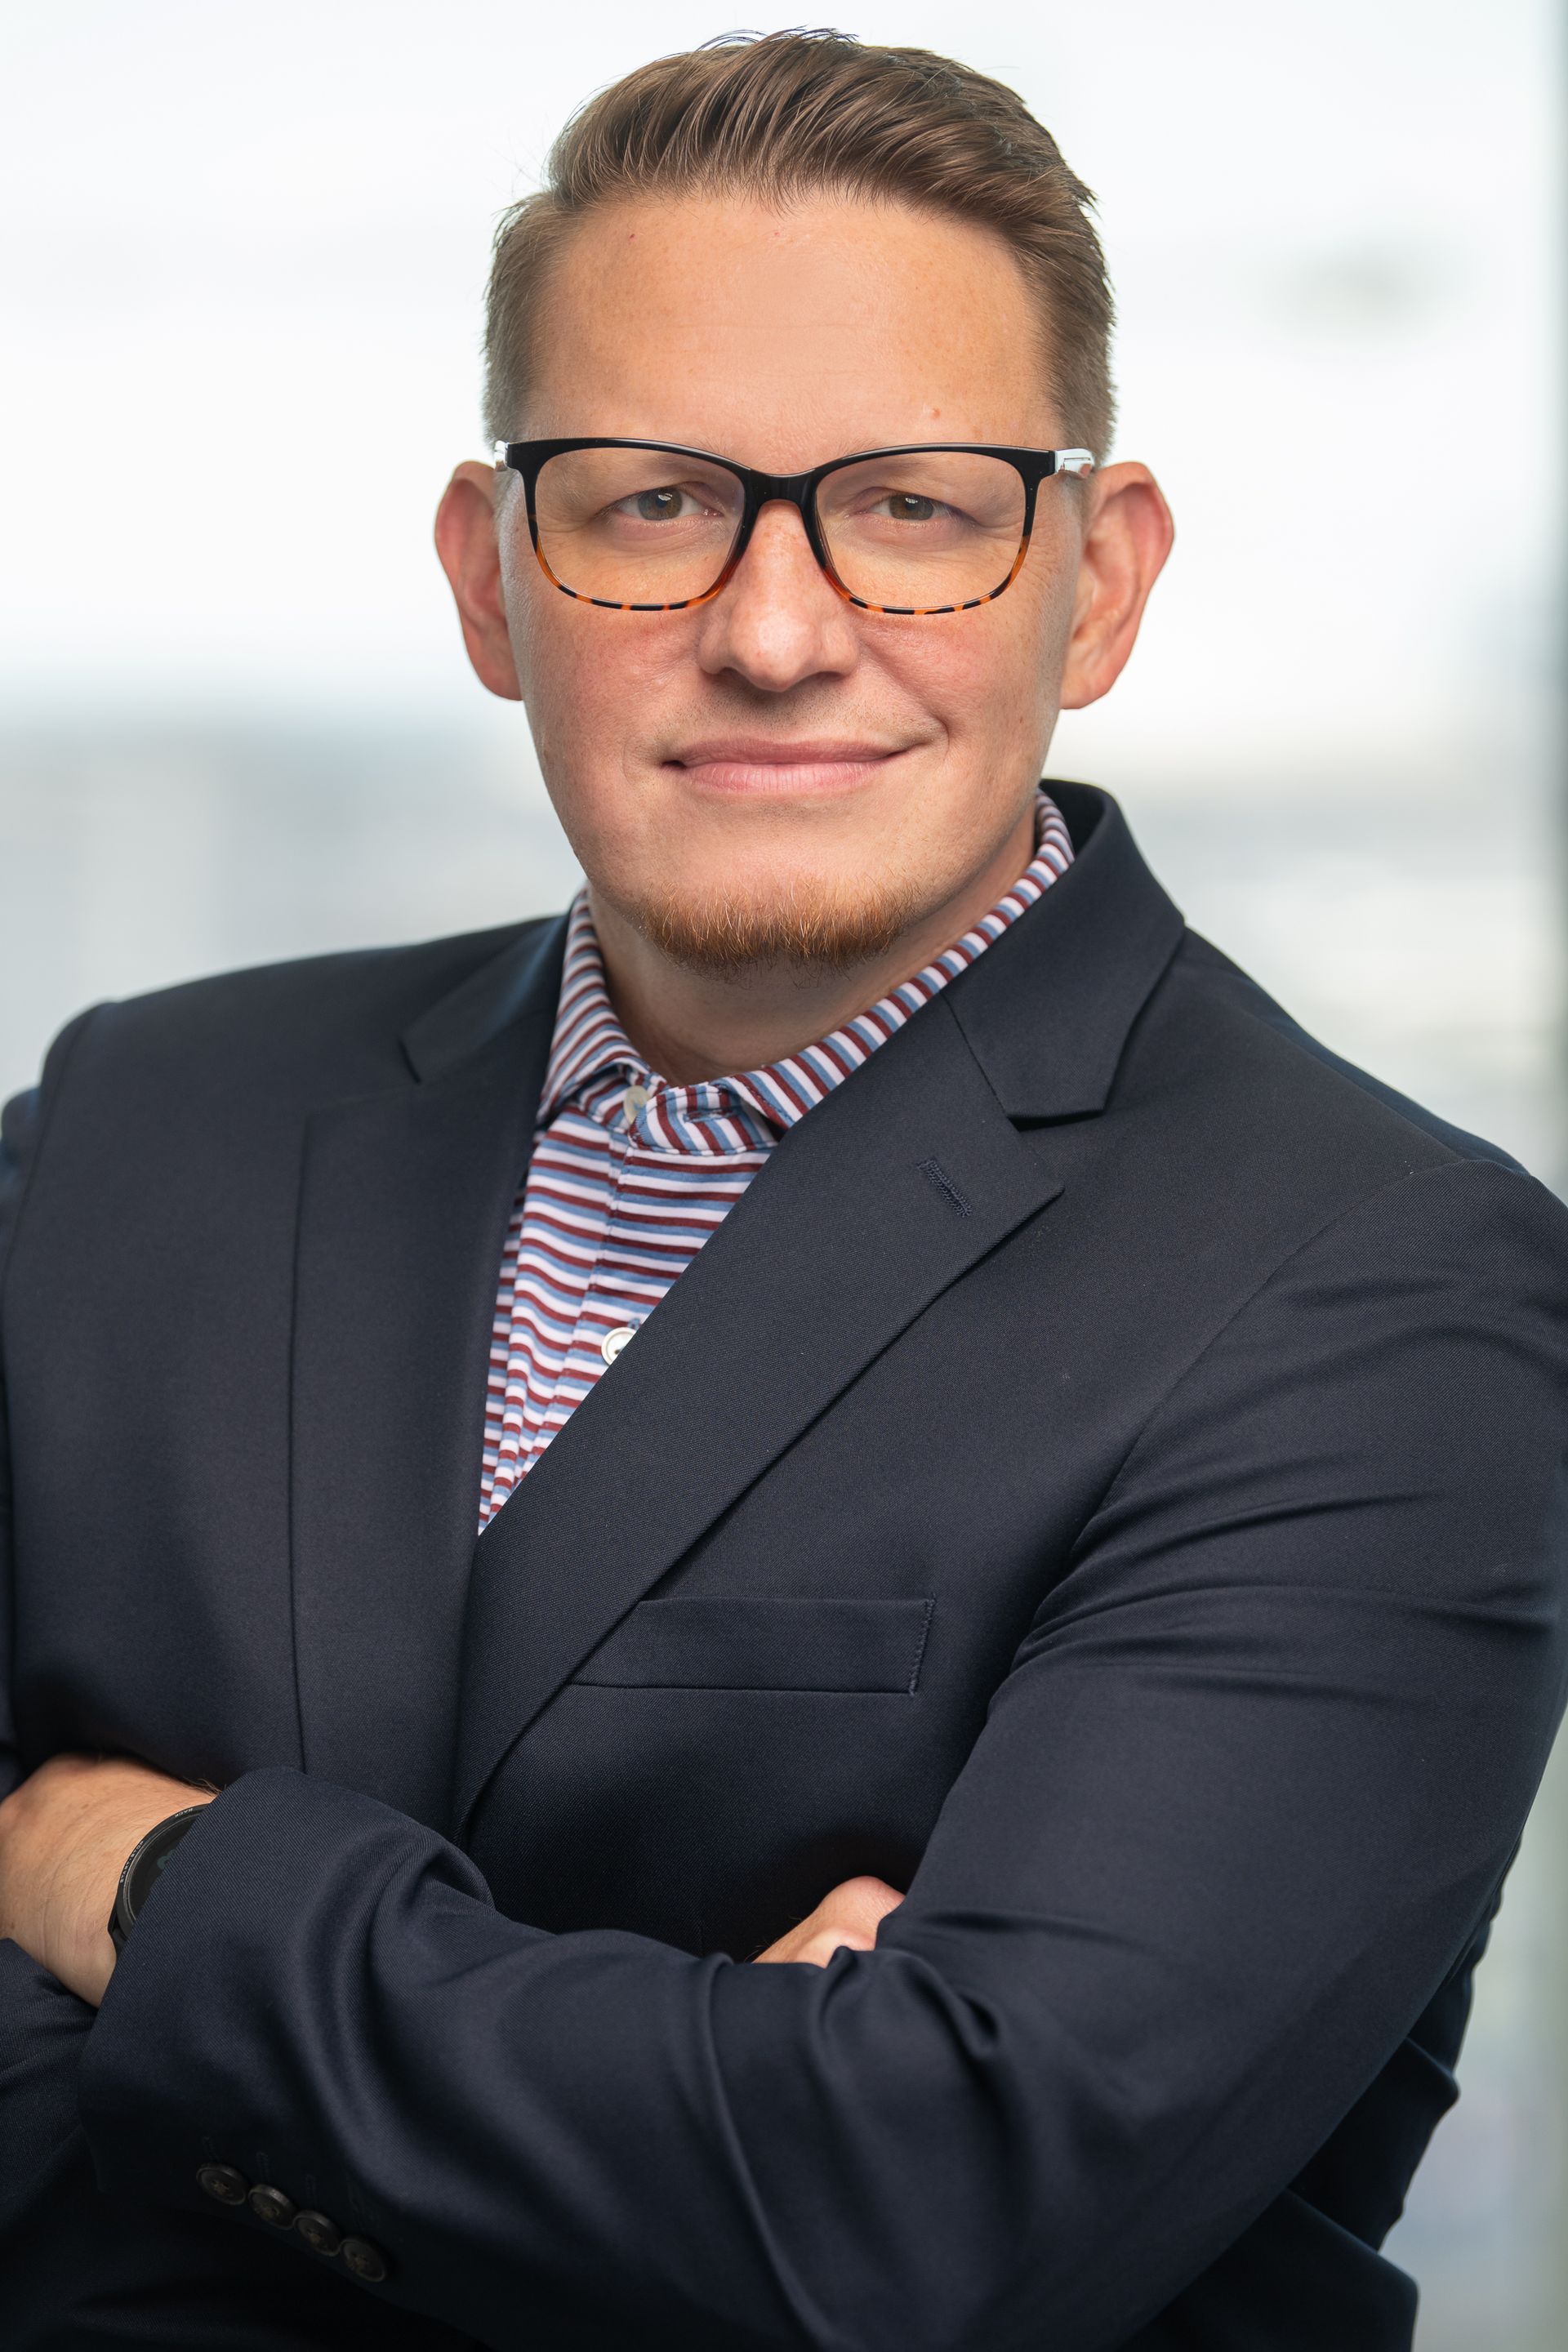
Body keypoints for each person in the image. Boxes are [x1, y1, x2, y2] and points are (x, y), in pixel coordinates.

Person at [0, 29, 1563, 2352]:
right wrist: (700, 2075)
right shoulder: (144, 1126)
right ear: (490, 573)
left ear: (1099, 582)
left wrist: (138, 1876)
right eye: (649, 502)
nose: (773, 625)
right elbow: (793, 2171)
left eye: (918, 506)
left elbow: (920, 2225)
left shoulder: (1388, 1300)